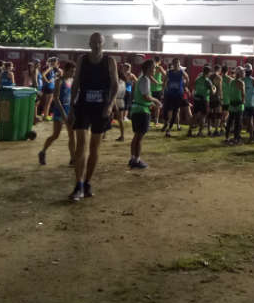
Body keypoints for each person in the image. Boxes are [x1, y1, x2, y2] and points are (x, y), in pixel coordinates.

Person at [68, 33, 119, 201]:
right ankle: (78, 185)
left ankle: (87, 182)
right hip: (83, 105)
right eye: (94, 42)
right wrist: (71, 106)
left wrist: (110, 105)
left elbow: (115, 85)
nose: (97, 45)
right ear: (89, 43)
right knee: (81, 145)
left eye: (99, 42)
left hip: (101, 108)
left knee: (94, 147)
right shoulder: (82, 60)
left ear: (103, 44)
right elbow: (75, 83)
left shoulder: (109, 61)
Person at [39, 61, 75, 166]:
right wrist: (63, 113)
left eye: (74, 71)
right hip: (59, 111)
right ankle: (43, 151)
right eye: (71, 71)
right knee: (55, 135)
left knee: (72, 135)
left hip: (68, 110)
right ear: (66, 70)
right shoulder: (59, 81)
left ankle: (73, 158)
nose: (73, 73)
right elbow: (56, 98)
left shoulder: (72, 80)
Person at [129, 58, 162, 169]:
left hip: (137, 110)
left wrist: (150, 103)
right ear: (148, 69)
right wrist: (156, 101)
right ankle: (137, 160)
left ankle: (133, 158)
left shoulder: (141, 78)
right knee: (139, 137)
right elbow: (146, 96)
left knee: (136, 136)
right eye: (153, 68)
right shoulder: (145, 80)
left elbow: (143, 97)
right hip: (142, 112)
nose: (155, 70)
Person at [162, 58, 190, 136]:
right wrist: (164, 89)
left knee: (175, 111)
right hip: (169, 94)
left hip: (178, 94)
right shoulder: (169, 72)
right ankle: (166, 123)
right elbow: (164, 81)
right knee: (166, 110)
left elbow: (187, 78)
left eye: (177, 63)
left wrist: (185, 86)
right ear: (173, 64)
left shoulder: (181, 72)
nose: (176, 65)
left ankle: (169, 130)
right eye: (175, 63)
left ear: (179, 64)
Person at [189, 65, 214, 136]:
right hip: (204, 100)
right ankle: (200, 132)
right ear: (208, 72)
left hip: (197, 99)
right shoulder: (208, 81)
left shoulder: (197, 79)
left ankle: (189, 131)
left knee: (194, 115)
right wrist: (214, 89)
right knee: (203, 116)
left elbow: (194, 88)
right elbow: (212, 92)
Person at [227, 67, 247, 144]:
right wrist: (243, 102)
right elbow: (243, 94)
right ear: (240, 73)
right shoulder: (241, 83)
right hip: (239, 104)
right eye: (243, 72)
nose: (244, 73)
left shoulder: (231, 82)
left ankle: (227, 136)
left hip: (232, 103)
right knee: (238, 122)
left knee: (230, 120)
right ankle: (236, 138)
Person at [242, 64, 254, 141]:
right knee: (251, 120)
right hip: (251, 103)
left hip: (243, 103)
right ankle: (251, 135)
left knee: (243, 119)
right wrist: (252, 92)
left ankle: (247, 134)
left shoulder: (242, 79)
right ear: (252, 71)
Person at [151, 56, 166, 127]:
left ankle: (148, 120)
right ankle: (156, 121)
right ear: (159, 61)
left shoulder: (151, 67)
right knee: (158, 106)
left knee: (149, 105)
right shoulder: (159, 68)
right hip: (158, 89)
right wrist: (162, 83)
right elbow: (166, 76)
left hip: (150, 89)